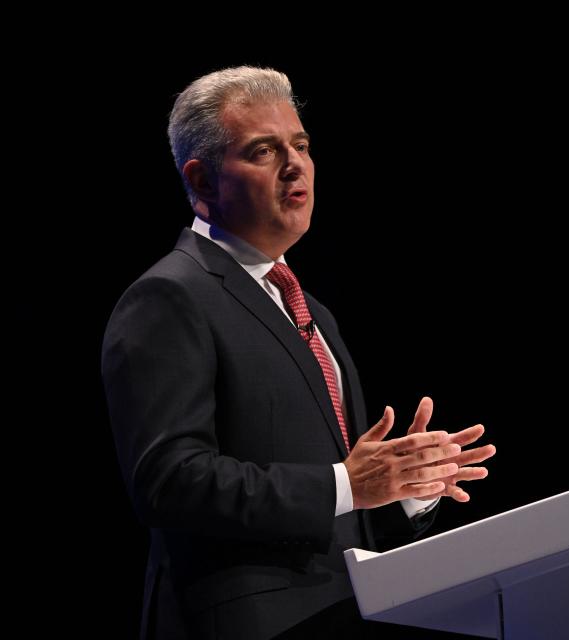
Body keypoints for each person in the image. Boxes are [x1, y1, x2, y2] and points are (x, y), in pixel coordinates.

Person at [101, 66, 496, 639]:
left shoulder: (308, 308)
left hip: (344, 614)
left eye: (302, 145)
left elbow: (339, 507)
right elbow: (170, 482)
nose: (295, 164)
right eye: (263, 150)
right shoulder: (170, 296)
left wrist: (404, 488)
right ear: (202, 180)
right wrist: (346, 484)